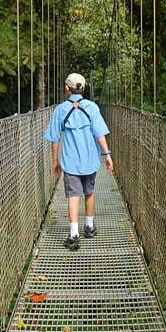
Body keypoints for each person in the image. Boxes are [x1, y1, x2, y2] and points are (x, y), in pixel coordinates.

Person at [44, 73, 113, 251]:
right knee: (89, 191)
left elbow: (54, 139)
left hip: (70, 162)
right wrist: (107, 154)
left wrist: (55, 161)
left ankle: (74, 234)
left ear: (67, 89)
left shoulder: (60, 110)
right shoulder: (92, 107)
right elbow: (99, 134)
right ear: (83, 88)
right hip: (90, 159)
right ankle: (89, 227)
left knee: (73, 195)